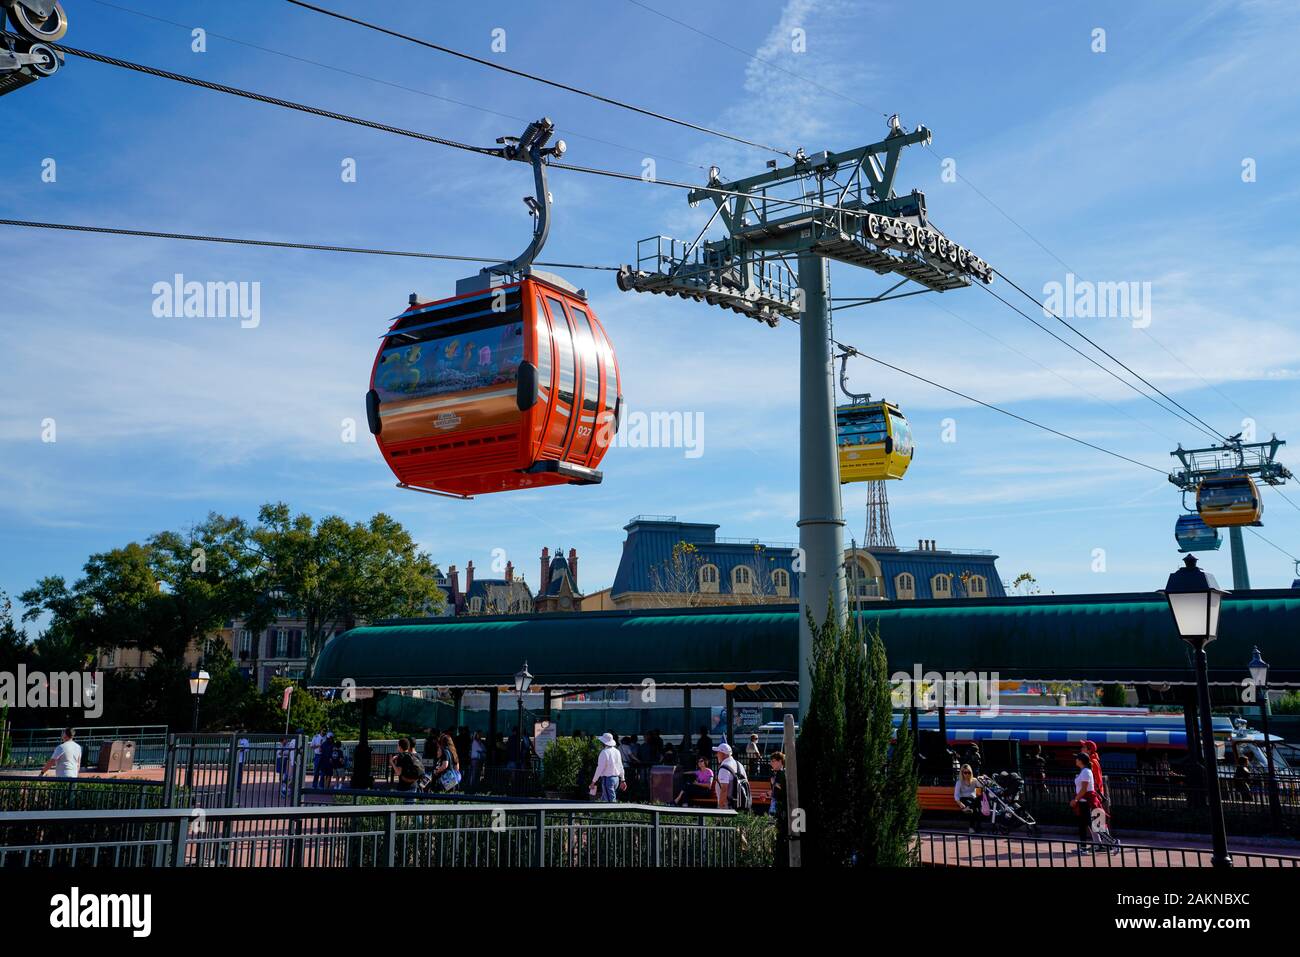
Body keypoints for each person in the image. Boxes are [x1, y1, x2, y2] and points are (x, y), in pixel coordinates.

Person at [1070, 751, 1101, 852]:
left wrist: (1075, 799)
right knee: (1083, 825)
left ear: (1080, 761)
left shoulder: (1086, 772)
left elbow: (1084, 789)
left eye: (1077, 758)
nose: (1075, 760)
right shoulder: (1083, 771)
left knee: (1091, 824)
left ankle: (1112, 843)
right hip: (1083, 802)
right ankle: (1083, 847)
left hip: (1086, 802)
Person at [590, 732, 626, 802]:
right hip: (616, 779)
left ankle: (614, 813)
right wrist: (623, 779)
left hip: (608, 779)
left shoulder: (604, 752)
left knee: (610, 802)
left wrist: (593, 781)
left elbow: (599, 768)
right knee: (606, 800)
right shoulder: (617, 751)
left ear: (604, 742)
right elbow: (621, 766)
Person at [768, 751, 790, 867]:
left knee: (776, 831)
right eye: (771, 761)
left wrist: (774, 785)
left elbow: (781, 790)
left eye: (773, 761)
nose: (771, 763)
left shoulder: (781, 774)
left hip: (778, 807)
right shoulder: (776, 774)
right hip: (775, 805)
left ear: (780, 762)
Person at [713, 742, 749, 809]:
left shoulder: (724, 768)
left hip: (727, 805)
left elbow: (724, 789)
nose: (716, 755)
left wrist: (720, 807)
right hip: (740, 804)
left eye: (718, 752)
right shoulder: (739, 764)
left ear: (723, 754)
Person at [953, 763, 986, 833]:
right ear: (962, 773)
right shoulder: (959, 782)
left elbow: (981, 787)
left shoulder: (974, 780)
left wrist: (981, 779)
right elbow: (956, 795)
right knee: (975, 810)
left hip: (973, 800)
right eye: (965, 772)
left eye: (969, 772)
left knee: (977, 806)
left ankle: (975, 827)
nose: (967, 774)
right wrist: (960, 804)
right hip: (964, 799)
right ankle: (973, 827)